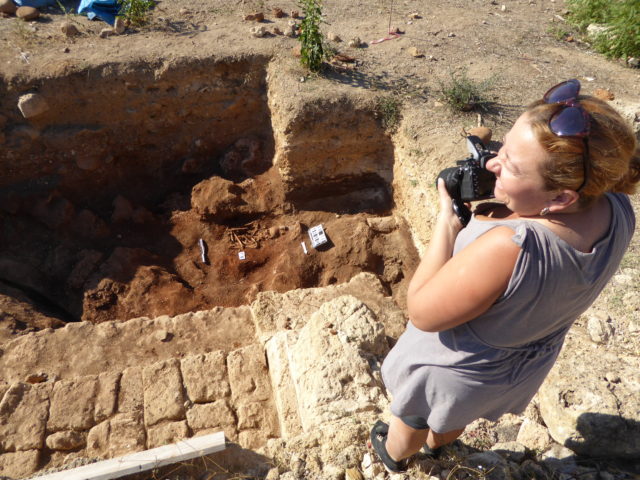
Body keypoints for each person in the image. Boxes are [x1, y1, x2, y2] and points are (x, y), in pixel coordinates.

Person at [370, 79, 640, 472]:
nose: (491, 163)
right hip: (512, 367)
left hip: (451, 367)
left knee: (414, 413)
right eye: (502, 148)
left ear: (561, 198)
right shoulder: (618, 210)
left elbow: (423, 313)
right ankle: (438, 447)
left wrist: (447, 224)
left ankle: (395, 457)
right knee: (453, 415)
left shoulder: (511, 246)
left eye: (509, 165)